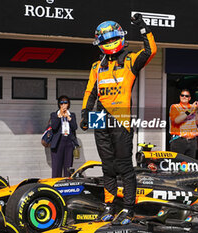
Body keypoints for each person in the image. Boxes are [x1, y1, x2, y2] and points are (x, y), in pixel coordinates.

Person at [80, 14, 156, 225]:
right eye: (105, 40)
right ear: (100, 43)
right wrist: (85, 113)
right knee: (107, 166)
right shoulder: (97, 66)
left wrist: (142, 27)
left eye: (112, 38)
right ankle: (109, 205)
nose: (110, 43)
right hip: (99, 117)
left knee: (124, 166)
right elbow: (90, 92)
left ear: (120, 37)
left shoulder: (131, 59)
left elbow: (151, 51)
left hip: (121, 118)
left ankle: (128, 208)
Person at [50, 95, 78, 178]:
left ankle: (67, 186)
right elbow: (54, 127)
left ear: (68, 104)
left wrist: (68, 117)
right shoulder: (54, 115)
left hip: (69, 142)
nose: (63, 104)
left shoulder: (72, 115)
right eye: (61, 102)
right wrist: (60, 116)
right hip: (58, 142)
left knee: (68, 167)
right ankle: (55, 187)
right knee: (56, 168)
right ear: (59, 104)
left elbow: (74, 127)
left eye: (65, 102)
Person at [169, 89, 198, 158]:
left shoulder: (194, 107)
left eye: (186, 96)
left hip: (192, 140)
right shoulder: (175, 106)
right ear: (180, 97)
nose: (184, 97)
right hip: (179, 140)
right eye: (182, 95)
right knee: (177, 164)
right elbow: (176, 121)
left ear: (189, 98)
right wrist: (190, 110)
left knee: (190, 165)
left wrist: (196, 110)